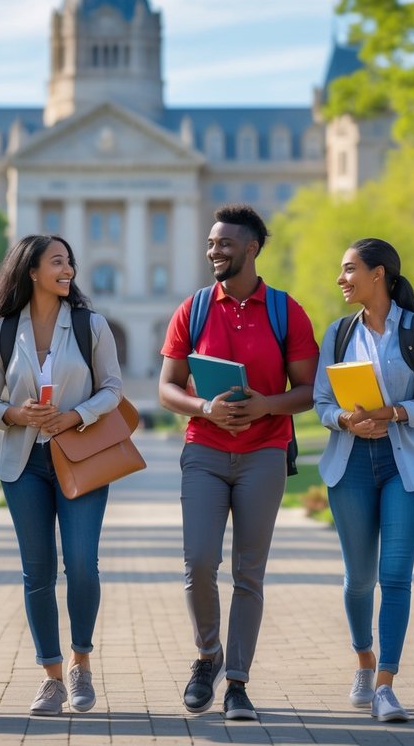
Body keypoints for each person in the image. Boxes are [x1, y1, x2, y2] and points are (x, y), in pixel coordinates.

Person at [158, 204, 317, 722]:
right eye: (210, 243)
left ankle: (238, 684)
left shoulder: (285, 311)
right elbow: (166, 388)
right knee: (199, 563)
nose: (214, 251)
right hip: (203, 450)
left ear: (251, 248)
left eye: (224, 244)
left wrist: (265, 405)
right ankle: (208, 657)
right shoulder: (194, 308)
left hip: (264, 454)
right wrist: (206, 407)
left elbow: (310, 390)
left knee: (250, 573)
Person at [0, 234, 123, 716]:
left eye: (70, 262)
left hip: (79, 456)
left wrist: (75, 415)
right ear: (31, 271)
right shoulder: (1, 331)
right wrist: (14, 414)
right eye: (57, 262)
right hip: (24, 465)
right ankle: (52, 676)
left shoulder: (90, 325)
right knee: (36, 572)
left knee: (81, 564)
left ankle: (82, 663)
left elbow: (113, 390)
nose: (68, 270)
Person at [313, 238, 414, 724]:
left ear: (379, 274)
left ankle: (386, 686)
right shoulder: (336, 333)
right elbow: (321, 403)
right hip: (350, 464)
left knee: (395, 577)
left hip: (404, 465)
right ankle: (364, 661)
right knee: (359, 580)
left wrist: (393, 412)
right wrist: (346, 421)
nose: (341, 279)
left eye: (349, 269)